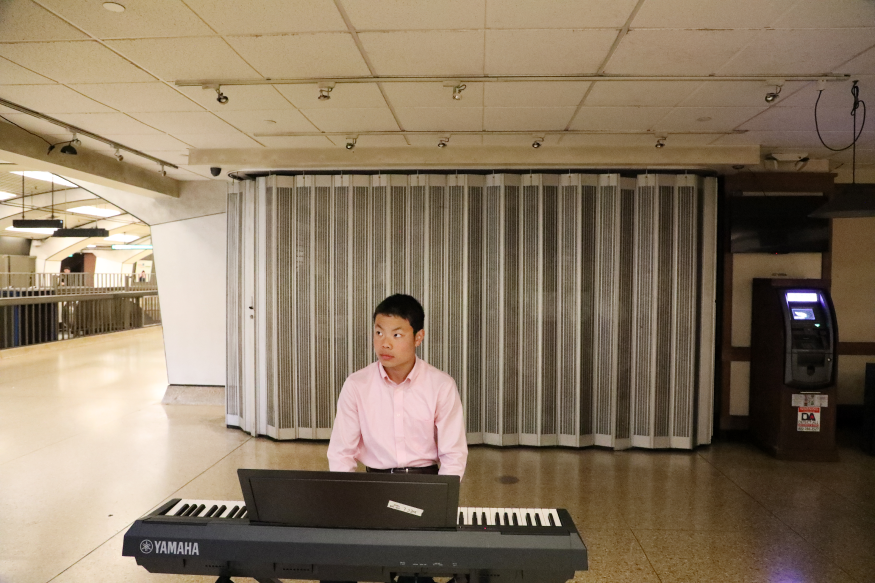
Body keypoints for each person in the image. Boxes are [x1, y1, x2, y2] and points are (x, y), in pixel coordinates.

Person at [327, 293, 468, 479]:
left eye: (396, 335)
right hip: (376, 483)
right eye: (379, 333)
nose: (385, 344)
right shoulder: (356, 385)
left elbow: (453, 455)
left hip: (426, 482)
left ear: (418, 337)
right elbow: (341, 453)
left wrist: (441, 496)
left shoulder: (441, 386)